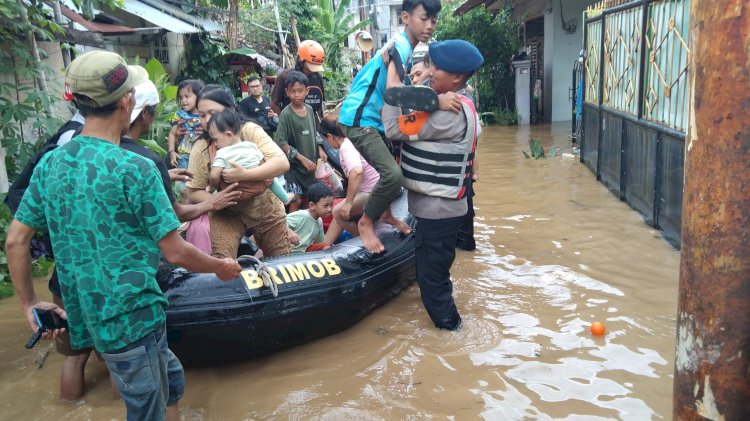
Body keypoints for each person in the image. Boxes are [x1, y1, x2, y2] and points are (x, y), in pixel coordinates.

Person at [5, 51, 242, 420]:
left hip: (86, 312)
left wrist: (29, 303)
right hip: (133, 314)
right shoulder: (136, 167)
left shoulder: (52, 161)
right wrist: (220, 267)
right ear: (127, 101)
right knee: (146, 407)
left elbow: (15, 241)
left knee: (167, 384)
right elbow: (176, 252)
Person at [382, 39, 484, 330]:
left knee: (433, 282)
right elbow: (420, 102)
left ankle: (452, 333)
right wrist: (422, 79)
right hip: (442, 209)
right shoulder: (455, 102)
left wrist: (391, 85)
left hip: (438, 212)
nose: (430, 71)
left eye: (436, 68)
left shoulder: (448, 113)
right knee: (436, 273)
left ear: (457, 78)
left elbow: (394, 128)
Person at [337, 0, 449, 253]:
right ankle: (367, 222)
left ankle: (385, 214)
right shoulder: (399, 45)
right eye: (424, 18)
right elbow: (393, 90)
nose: (430, 25)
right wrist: (435, 101)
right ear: (406, 17)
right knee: (393, 175)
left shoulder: (404, 48)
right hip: (359, 118)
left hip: (372, 119)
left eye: (434, 20)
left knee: (393, 172)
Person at [186, 85, 291, 258]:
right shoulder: (201, 147)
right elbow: (193, 191)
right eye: (202, 115)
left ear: (231, 111)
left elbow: (281, 163)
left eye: (212, 113)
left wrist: (246, 176)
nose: (206, 120)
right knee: (222, 263)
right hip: (227, 214)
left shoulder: (249, 130)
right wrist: (216, 200)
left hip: (267, 209)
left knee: (281, 262)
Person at [317, 115, 380, 245]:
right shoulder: (350, 141)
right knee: (340, 212)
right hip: (371, 188)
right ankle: (324, 246)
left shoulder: (346, 147)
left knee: (338, 211)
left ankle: (365, 243)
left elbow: (356, 172)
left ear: (329, 137)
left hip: (374, 191)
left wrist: (349, 203)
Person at [207, 108, 290, 204]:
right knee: (272, 178)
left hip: (236, 194)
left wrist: (213, 187)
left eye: (216, 140)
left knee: (214, 198)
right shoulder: (252, 146)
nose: (215, 144)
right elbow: (262, 163)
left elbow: (214, 176)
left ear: (229, 135)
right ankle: (285, 198)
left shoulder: (222, 153)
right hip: (258, 189)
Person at [273, 71, 328, 212]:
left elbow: (314, 131)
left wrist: (320, 148)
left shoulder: (309, 109)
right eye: (292, 91)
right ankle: (291, 229)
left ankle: (305, 229)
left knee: (307, 200)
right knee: (295, 200)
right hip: (294, 168)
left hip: (310, 165)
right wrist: (301, 158)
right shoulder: (286, 114)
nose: (296, 95)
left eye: (300, 91)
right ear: (286, 92)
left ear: (307, 91)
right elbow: (280, 141)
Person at [271, 40, 326, 124]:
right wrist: (284, 124)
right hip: (292, 122)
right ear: (301, 59)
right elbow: (274, 104)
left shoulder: (317, 77)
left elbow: (320, 104)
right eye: (310, 64)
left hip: (312, 122)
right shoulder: (285, 76)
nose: (313, 70)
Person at [286, 182, 334, 253]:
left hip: (305, 253)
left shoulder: (319, 220)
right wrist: (289, 232)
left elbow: (321, 243)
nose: (330, 209)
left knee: (327, 247)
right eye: (325, 206)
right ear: (312, 205)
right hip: (288, 252)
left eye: (331, 205)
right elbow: (279, 222)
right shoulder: (301, 216)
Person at [168, 79, 205, 169]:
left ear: (198, 96)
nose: (183, 100)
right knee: (182, 181)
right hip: (183, 156)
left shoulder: (205, 115)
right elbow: (172, 134)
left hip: (202, 156)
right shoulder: (180, 115)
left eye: (187, 96)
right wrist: (172, 152)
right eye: (181, 97)